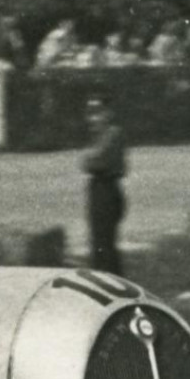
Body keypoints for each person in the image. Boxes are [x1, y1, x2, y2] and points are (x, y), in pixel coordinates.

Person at [81, 98, 129, 276]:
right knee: (99, 242)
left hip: (107, 189)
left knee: (104, 243)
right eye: (90, 114)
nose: (92, 119)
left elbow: (94, 162)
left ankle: (111, 281)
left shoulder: (113, 134)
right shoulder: (99, 138)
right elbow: (87, 161)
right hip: (98, 188)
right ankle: (106, 279)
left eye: (97, 113)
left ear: (108, 114)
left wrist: (90, 158)